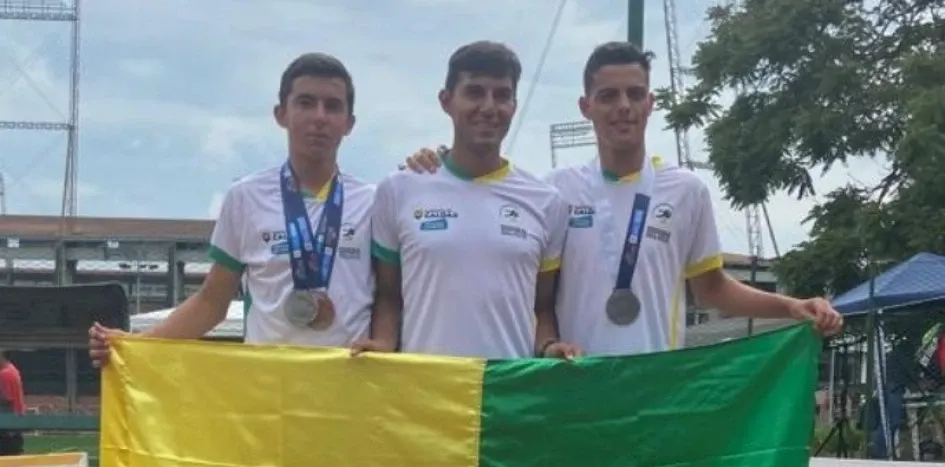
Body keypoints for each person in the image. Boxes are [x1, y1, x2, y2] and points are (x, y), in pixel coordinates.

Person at [402, 41, 843, 356]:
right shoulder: (553, 191)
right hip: (572, 385)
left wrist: (789, 306)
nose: (623, 107)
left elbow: (712, 290)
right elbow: (536, 294)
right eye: (608, 96)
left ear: (651, 103)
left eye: (635, 94)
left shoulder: (686, 191)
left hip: (651, 387)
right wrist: (435, 163)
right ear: (585, 106)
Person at [89, 53, 375, 366]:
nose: (320, 117)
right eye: (305, 103)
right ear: (281, 114)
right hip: (270, 389)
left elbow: (393, 298)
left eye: (332, 106)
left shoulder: (374, 201)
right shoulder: (246, 197)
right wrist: (135, 346)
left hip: (350, 391)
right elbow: (212, 303)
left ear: (349, 123)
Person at [350, 41, 577, 360]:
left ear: (514, 104)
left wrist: (548, 346)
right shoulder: (398, 189)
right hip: (425, 392)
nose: (488, 107)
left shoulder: (546, 202)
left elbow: (542, 307)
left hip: (507, 394)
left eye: (501, 95)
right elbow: (388, 296)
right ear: (446, 101)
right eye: (474, 92)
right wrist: (384, 343)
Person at [0, 352, 26, 456]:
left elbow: (6, 400)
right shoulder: (14, 370)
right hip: (15, 428)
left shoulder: (4, 374)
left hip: (6, 432)